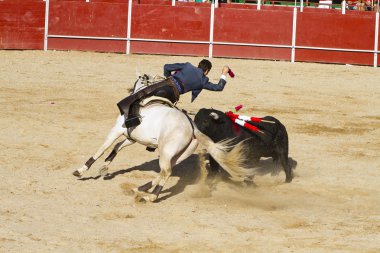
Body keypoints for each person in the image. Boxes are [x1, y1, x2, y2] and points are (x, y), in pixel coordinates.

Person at [117, 59, 230, 128]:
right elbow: (219, 87)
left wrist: (167, 78)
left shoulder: (187, 66)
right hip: (173, 95)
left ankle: (129, 115)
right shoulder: (203, 81)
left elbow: (166, 67)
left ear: (198, 65)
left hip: (165, 84)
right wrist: (224, 73)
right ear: (207, 71)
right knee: (167, 114)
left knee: (142, 93)